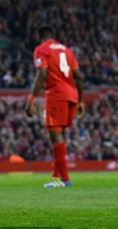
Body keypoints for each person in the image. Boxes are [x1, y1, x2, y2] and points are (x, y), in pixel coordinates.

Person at [25, 25, 84, 188]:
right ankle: (56, 177)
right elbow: (79, 76)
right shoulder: (67, 50)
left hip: (56, 95)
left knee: (55, 136)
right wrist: (80, 101)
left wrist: (31, 99)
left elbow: (42, 74)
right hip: (71, 94)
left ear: (40, 37)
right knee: (59, 135)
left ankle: (64, 180)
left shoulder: (41, 49)